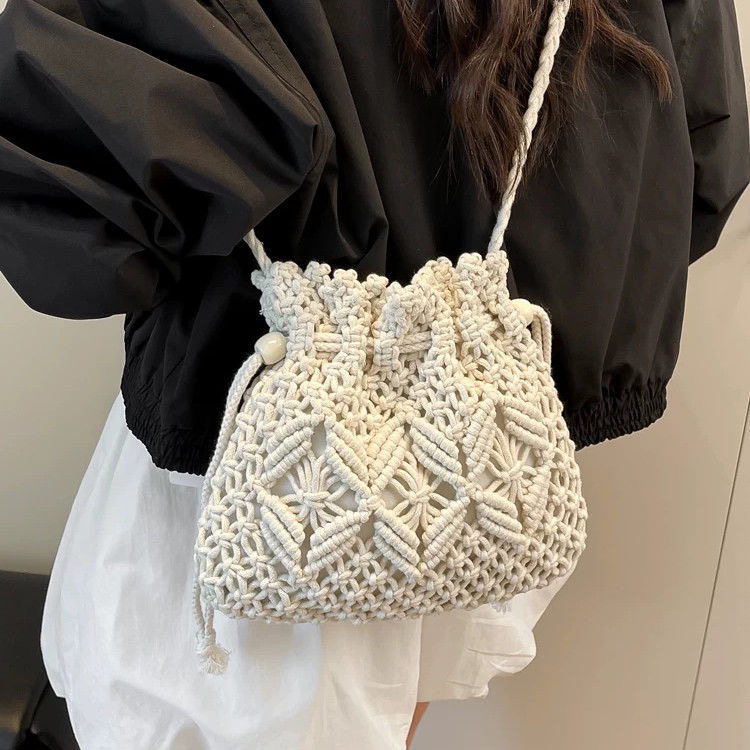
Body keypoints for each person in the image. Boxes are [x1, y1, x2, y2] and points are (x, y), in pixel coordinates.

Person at [0, 0, 748, 748]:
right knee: (407, 694)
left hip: (274, 467)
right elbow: (699, 167)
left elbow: (68, 208)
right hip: (485, 462)